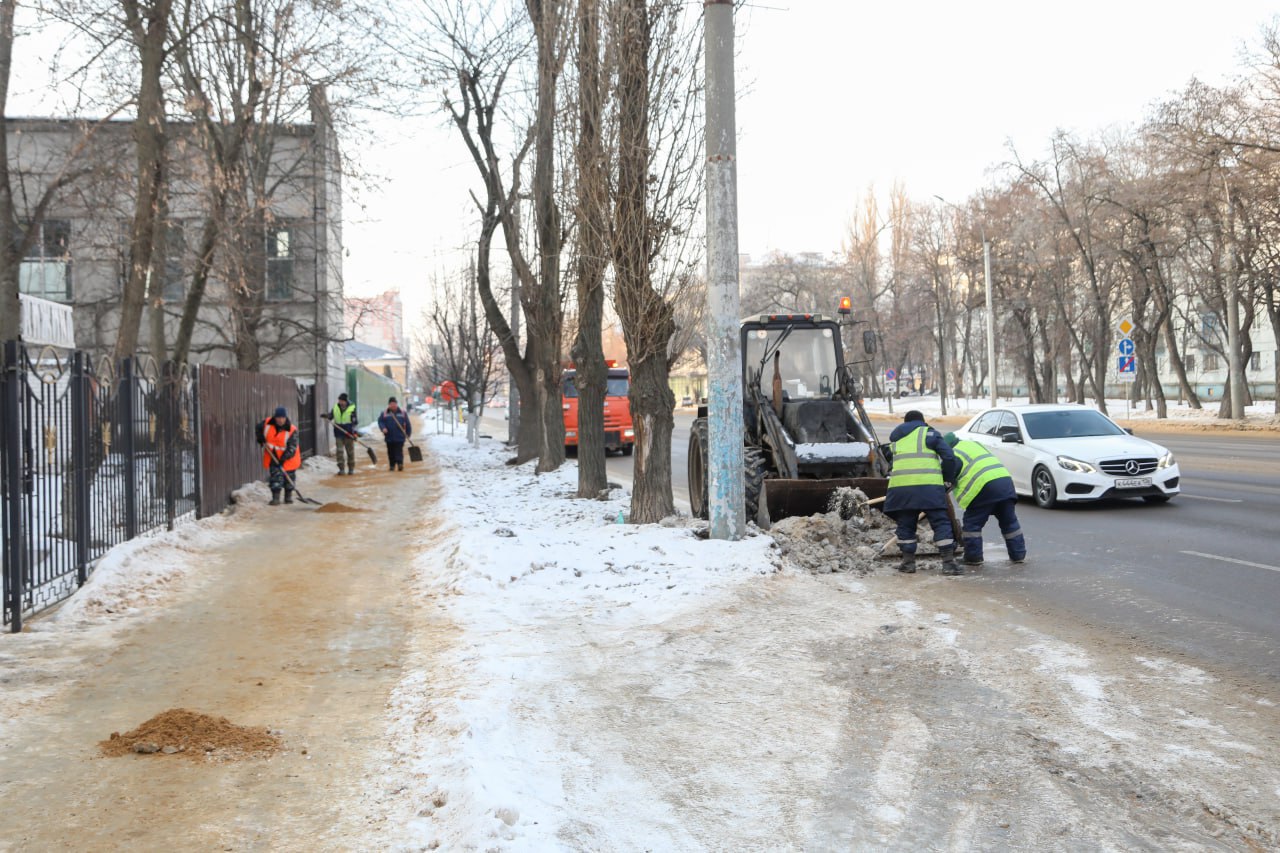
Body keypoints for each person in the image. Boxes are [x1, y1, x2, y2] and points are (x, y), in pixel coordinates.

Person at [885, 410, 961, 575]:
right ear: (921, 421)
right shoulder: (930, 434)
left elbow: (889, 458)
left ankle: (908, 563)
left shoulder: (896, 439)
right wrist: (947, 479)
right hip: (929, 489)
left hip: (901, 489)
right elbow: (949, 457)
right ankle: (948, 563)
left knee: (906, 525)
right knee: (940, 523)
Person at [943, 432, 1027, 566]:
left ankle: (973, 557)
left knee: (972, 525)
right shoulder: (972, 445)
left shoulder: (953, 455)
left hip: (983, 487)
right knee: (1009, 522)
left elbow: (948, 480)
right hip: (1004, 482)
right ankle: (1018, 555)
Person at [257, 406, 301, 505]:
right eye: (278, 417)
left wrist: (283, 459)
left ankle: (288, 496)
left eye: (282, 417)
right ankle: (275, 498)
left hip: (289, 458)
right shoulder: (267, 423)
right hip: (273, 455)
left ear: (285, 417)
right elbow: (258, 428)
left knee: (289, 477)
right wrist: (260, 438)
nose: (280, 420)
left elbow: (292, 448)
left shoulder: (292, 429)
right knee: (275, 476)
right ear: (275, 417)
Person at [321, 392, 358, 475]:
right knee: (339, 451)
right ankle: (341, 469)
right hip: (338, 433)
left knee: (350, 452)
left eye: (342, 401)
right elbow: (331, 416)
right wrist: (326, 416)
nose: (340, 402)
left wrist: (354, 433)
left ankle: (351, 469)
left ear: (345, 401)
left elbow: (355, 422)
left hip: (348, 433)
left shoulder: (352, 408)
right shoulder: (336, 407)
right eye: (339, 400)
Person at [378, 396, 411, 472]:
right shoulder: (384, 413)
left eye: (394, 404)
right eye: (391, 404)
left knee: (399, 451)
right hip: (389, 437)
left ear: (397, 404)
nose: (393, 405)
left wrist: (408, 434)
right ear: (389, 405)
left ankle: (400, 464)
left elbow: (408, 424)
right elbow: (380, 422)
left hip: (400, 437)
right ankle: (392, 465)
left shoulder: (403, 413)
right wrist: (383, 428)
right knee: (390, 452)